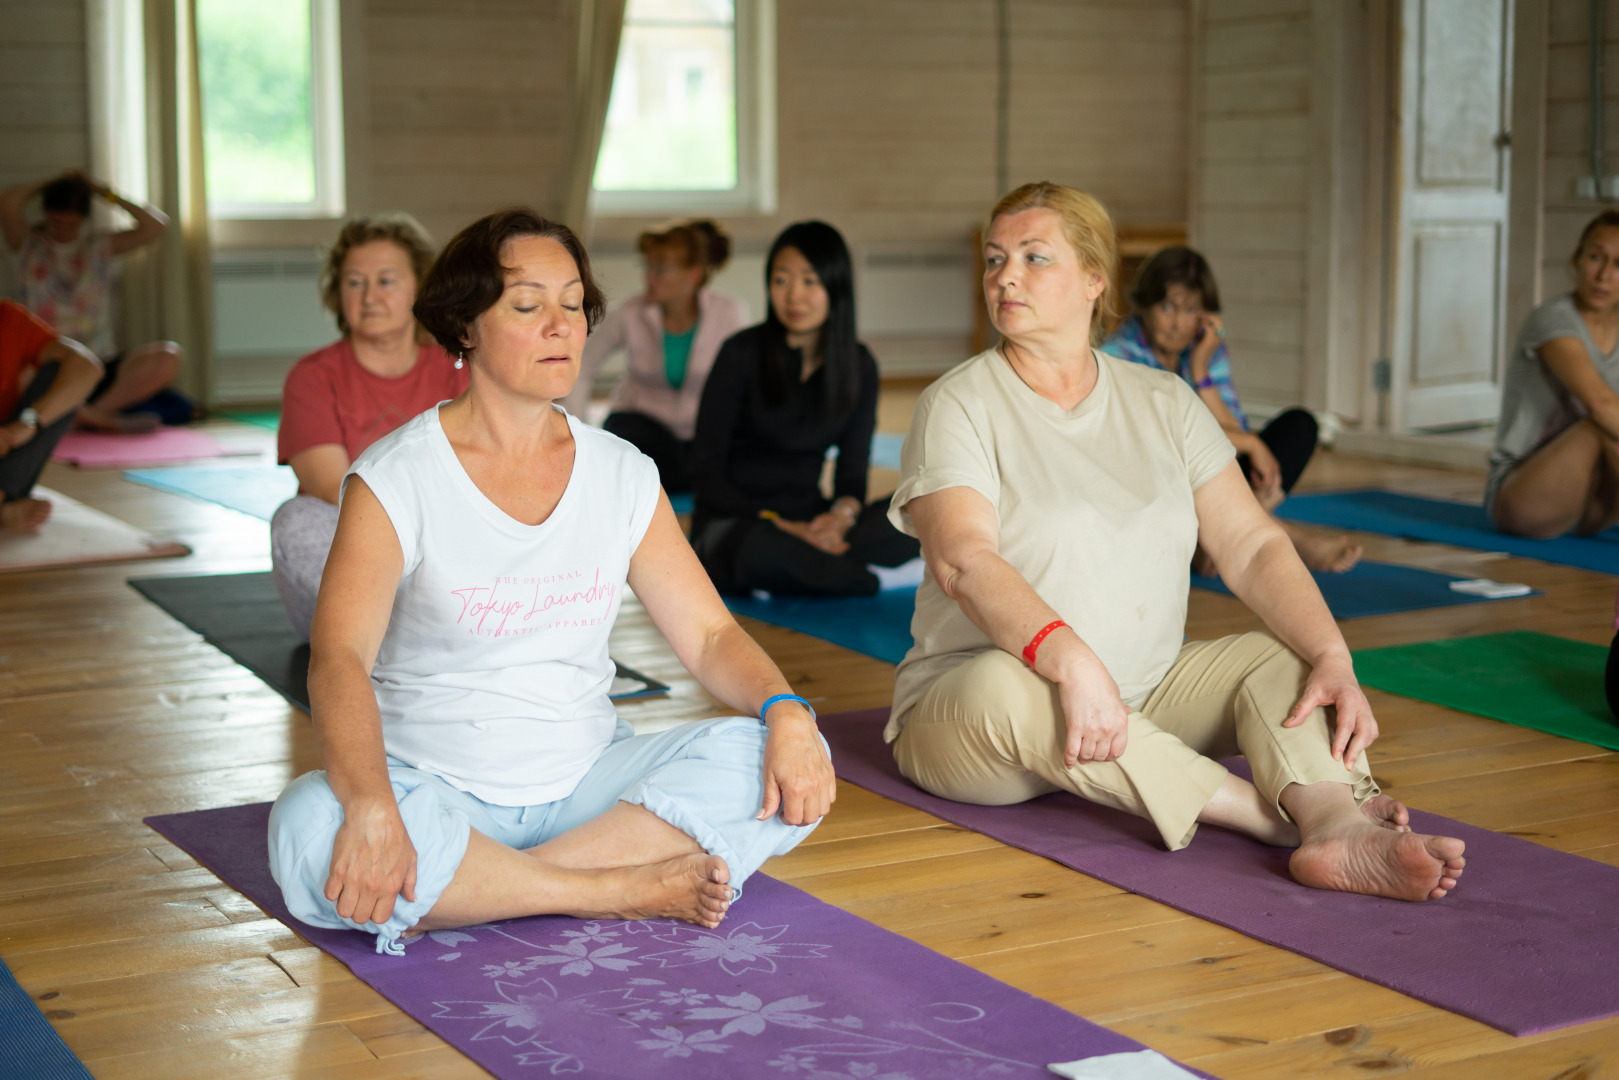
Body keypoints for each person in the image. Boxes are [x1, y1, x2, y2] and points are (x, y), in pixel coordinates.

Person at [265, 208, 834, 954]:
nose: (561, 325)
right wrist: (372, 806)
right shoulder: (394, 478)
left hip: (588, 784)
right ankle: (606, 889)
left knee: (772, 759)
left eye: (573, 304)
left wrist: (787, 708)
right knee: (307, 828)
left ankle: (481, 890)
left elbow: (709, 633)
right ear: (465, 326)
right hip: (435, 785)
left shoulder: (622, 472)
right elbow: (337, 658)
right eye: (529, 306)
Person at [886, 182, 1466, 902]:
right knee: (1005, 681)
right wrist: (1070, 663)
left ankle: (1328, 825)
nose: (1004, 276)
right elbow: (962, 561)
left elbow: (1251, 545)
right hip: (974, 713)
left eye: (1034, 258)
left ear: (1095, 280)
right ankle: (1275, 819)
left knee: (1282, 655)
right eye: (995, 259)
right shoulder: (958, 402)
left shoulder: (1163, 401)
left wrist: (1332, 657)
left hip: (1144, 694)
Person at [689, 221, 920, 597]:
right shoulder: (740, 354)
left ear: (836, 285)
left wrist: (839, 519)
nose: (794, 296)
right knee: (761, 553)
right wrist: (780, 525)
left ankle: (823, 566)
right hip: (738, 522)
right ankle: (873, 578)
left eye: (810, 281)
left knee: (920, 515)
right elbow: (706, 471)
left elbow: (851, 473)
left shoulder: (858, 365)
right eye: (781, 280)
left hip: (811, 517)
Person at [271, 214, 469, 640]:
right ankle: (423, 636)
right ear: (338, 294)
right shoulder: (313, 377)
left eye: (386, 281)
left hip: (445, 560)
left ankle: (436, 632)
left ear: (420, 286)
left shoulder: (457, 370)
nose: (369, 296)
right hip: (352, 567)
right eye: (355, 282)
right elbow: (332, 488)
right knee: (296, 520)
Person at [1104, 247, 1360, 573]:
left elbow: (1231, 432)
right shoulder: (1117, 354)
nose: (1178, 323)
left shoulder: (1206, 349)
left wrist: (1200, 370)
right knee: (1179, 456)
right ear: (1144, 306)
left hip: (1208, 471)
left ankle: (1210, 540)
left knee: (1300, 426)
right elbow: (1166, 434)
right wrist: (1251, 444)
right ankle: (1288, 539)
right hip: (1151, 476)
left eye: (1191, 310)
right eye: (1168, 307)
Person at [561, 219, 748, 493]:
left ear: (693, 276)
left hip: (702, 429)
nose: (649, 278)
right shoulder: (630, 313)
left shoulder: (730, 312)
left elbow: (747, 381)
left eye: (660, 270)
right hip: (642, 424)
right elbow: (581, 363)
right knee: (631, 457)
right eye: (647, 267)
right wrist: (579, 433)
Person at [1, 171, 192, 430]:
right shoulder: (27, 245)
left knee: (168, 356)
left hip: (97, 365)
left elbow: (156, 225)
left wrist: (103, 192)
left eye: (71, 224)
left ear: (83, 221)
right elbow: (8, 202)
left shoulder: (97, 247)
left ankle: (86, 416)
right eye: (56, 222)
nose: (63, 230)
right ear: (45, 214)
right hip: (47, 365)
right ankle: (98, 420)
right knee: (21, 376)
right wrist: (55, 179)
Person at [1489, 210, 1619, 538]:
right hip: (1523, 496)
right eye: (1595, 257)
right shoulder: (1551, 319)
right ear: (1577, 260)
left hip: (1593, 505)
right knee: (1598, 423)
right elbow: (1600, 404)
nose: (1604, 275)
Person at [0, 300, 104, 530]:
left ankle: (4, 500)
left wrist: (24, 425)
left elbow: (86, 367)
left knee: (62, 377)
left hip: (6, 459)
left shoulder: (7, 318)